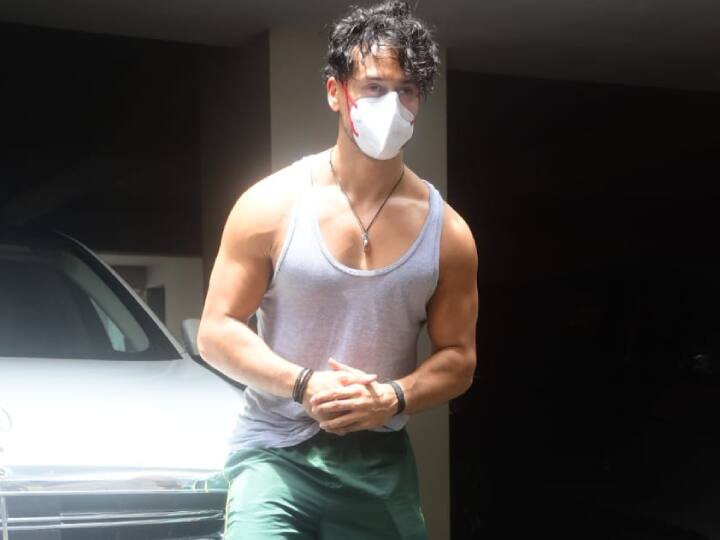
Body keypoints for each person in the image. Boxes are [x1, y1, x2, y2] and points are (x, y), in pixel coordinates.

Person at [197, 1, 478, 538]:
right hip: (275, 454)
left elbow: (459, 359)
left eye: (407, 91)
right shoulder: (271, 204)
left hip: (379, 461)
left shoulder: (449, 234)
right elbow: (216, 331)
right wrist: (304, 385)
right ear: (335, 91)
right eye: (373, 87)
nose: (391, 105)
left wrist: (392, 397)